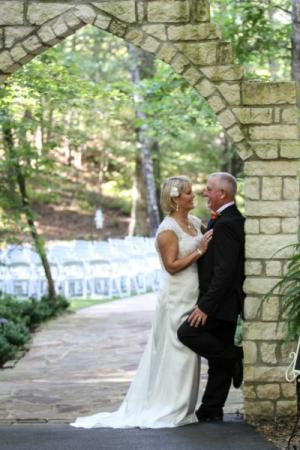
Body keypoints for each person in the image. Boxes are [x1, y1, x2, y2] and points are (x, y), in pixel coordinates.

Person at [71, 175, 213, 429]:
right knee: (175, 349)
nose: (194, 196)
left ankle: (184, 406)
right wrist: (199, 251)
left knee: (189, 351)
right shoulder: (167, 230)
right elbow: (171, 266)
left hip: (193, 294)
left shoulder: (193, 221)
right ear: (176, 199)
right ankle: (169, 407)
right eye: (189, 193)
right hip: (175, 296)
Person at [177, 172, 245, 422]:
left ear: (222, 194)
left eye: (208, 189)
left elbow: (225, 271)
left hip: (220, 302)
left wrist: (205, 306)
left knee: (187, 333)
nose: (204, 193)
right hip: (222, 301)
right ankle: (211, 409)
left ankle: (236, 355)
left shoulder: (228, 223)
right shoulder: (223, 219)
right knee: (218, 362)